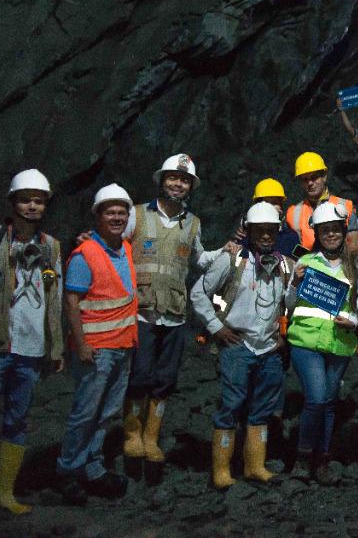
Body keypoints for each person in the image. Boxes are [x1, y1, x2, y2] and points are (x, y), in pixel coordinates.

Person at [0, 170, 63, 514]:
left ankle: (3, 493)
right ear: (13, 202)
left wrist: (55, 347)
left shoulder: (51, 246)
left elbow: (53, 297)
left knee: (17, 419)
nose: (32, 205)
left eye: (39, 200)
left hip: (30, 349)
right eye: (26, 199)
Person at [191, 202, 292, 489]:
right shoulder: (232, 261)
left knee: (262, 408)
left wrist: (281, 334)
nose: (265, 236)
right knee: (231, 405)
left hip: (268, 349)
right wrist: (216, 328)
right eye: (259, 231)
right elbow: (198, 293)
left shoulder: (285, 264)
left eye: (270, 231)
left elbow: (289, 305)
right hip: (238, 345)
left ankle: (255, 466)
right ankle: (221, 471)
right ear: (248, 231)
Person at [122, 153, 207, 484]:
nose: (178, 183)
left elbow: (201, 260)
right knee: (140, 375)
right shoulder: (136, 215)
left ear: (190, 186)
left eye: (184, 180)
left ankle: (152, 438)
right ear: (162, 180)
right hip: (140, 311)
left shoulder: (193, 223)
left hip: (173, 313)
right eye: (173, 177)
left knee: (165, 379)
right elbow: (115, 243)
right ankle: (131, 435)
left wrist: (229, 251)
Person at [57, 184, 139, 505]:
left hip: (123, 345)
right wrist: (80, 344)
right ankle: (69, 472)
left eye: (121, 211)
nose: (116, 216)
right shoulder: (84, 254)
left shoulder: (126, 249)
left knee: (107, 413)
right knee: (85, 413)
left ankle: (93, 467)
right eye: (110, 211)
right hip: (96, 349)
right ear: (98, 216)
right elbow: (71, 302)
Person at [285, 201, 358, 483]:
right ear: (317, 233)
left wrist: (352, 321)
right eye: (325, 230)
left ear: (342, 231)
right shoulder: (305, 263)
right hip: (305, 341)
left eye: (335, 230)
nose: (331, 235)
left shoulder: (354, 267)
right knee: (316, 398)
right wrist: (294, 284)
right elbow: (289, 304)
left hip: (338, 343)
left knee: (329, 402)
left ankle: (323, 461)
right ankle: (303, 458)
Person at [287, 152, 356, 251]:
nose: (310, 183)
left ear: (324, 177)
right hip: (307, 264)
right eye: (305, 179)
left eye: (314, 177)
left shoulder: (345, 206)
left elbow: (354, 247)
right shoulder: (293, 213)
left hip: (341, 263)